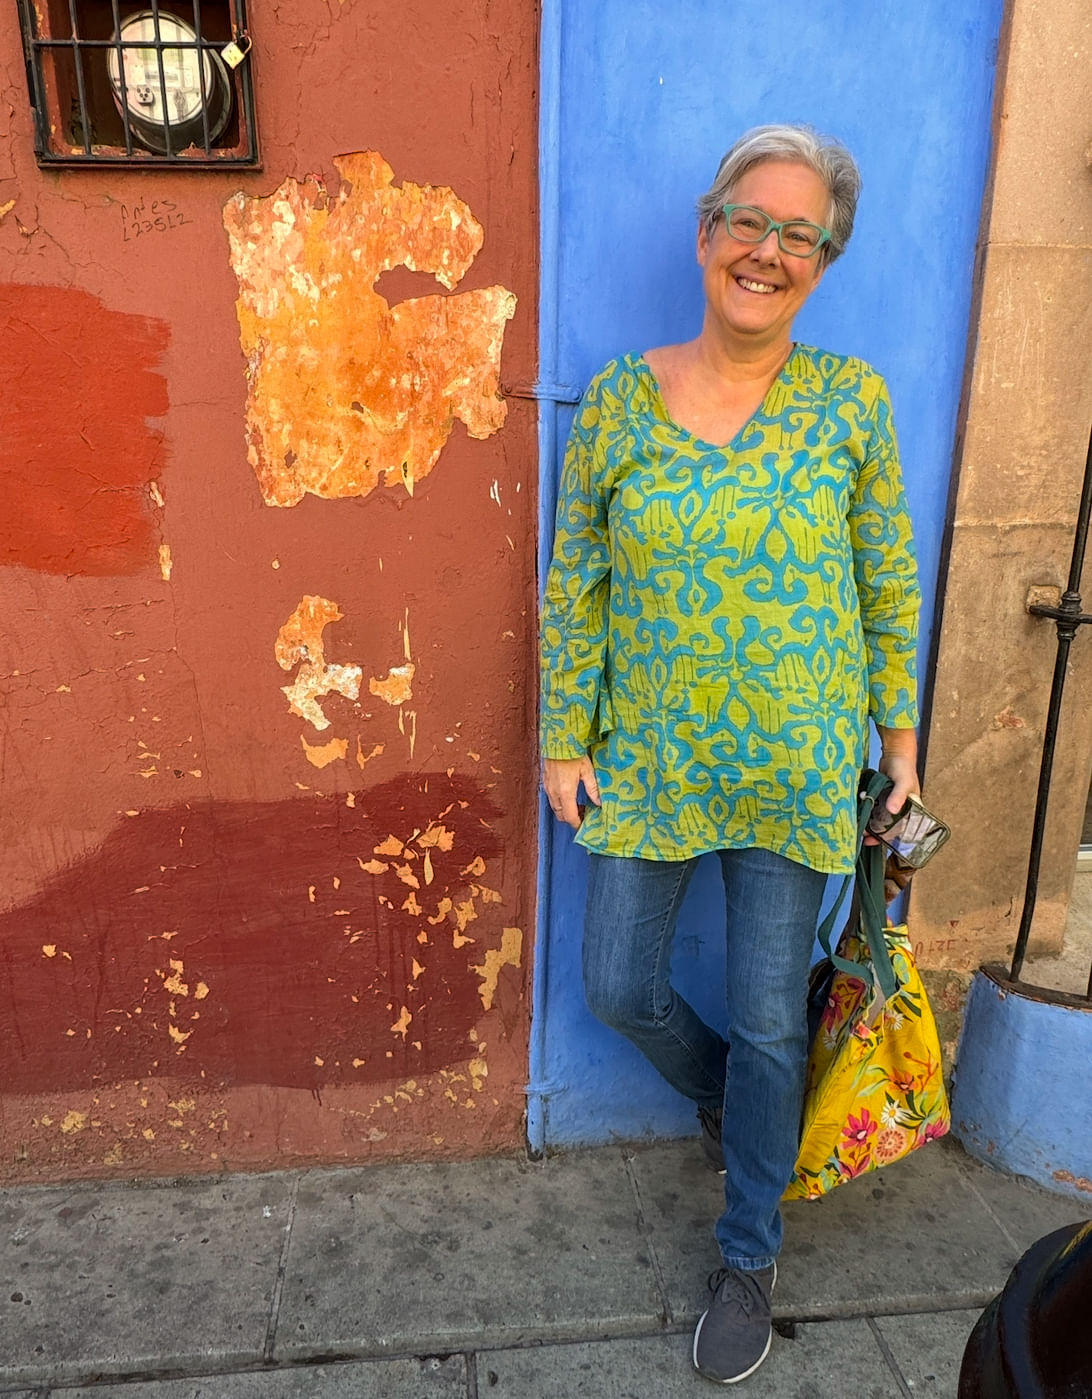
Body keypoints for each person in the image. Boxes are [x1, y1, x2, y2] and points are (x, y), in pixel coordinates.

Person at [539, 124, 921, 1385]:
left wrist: (901, 746)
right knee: (618, 985)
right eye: (749, 221)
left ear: (824, 262)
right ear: (708, 234)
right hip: (649, 760)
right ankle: (741, 1106)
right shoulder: (617, 399)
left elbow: (885, 584)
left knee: (770, 1021)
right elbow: (578, 584)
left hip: (796, 768)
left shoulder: (851, 402)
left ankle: (749, 1247)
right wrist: (563, 737)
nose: (768, 250)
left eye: (800, 234)